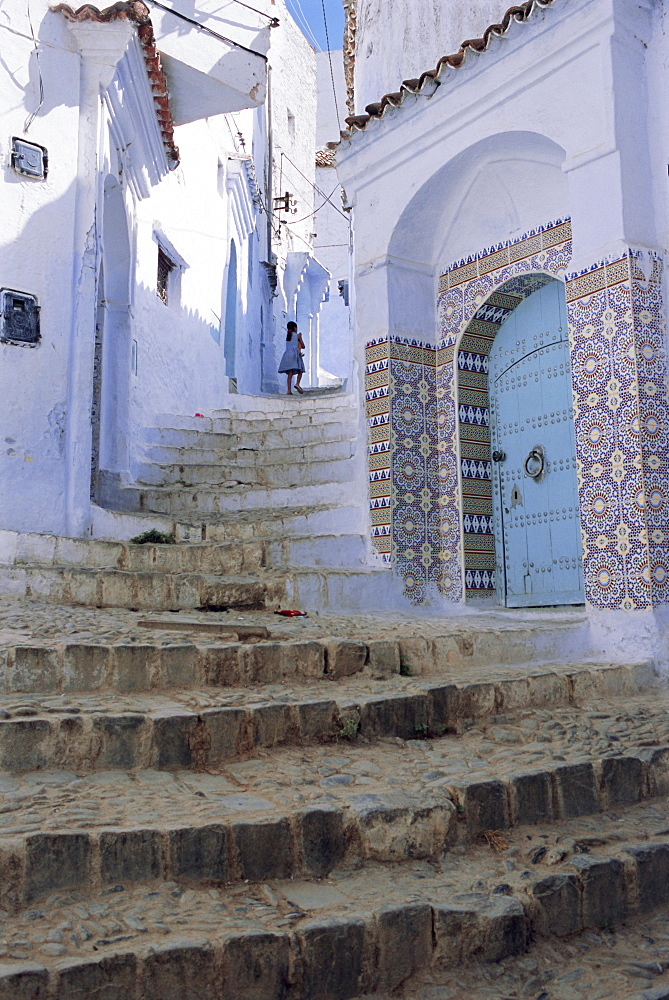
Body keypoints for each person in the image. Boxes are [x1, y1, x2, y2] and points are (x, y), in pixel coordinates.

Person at [278, 321, 305, 395]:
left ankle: (289, 391)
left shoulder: (288, 337)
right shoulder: (297, 336)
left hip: (287, 355)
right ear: (295, 328)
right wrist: (300, 338)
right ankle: (297, 384)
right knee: (300, 370)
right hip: (294, 355)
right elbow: (303, 346)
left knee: (290, 374)